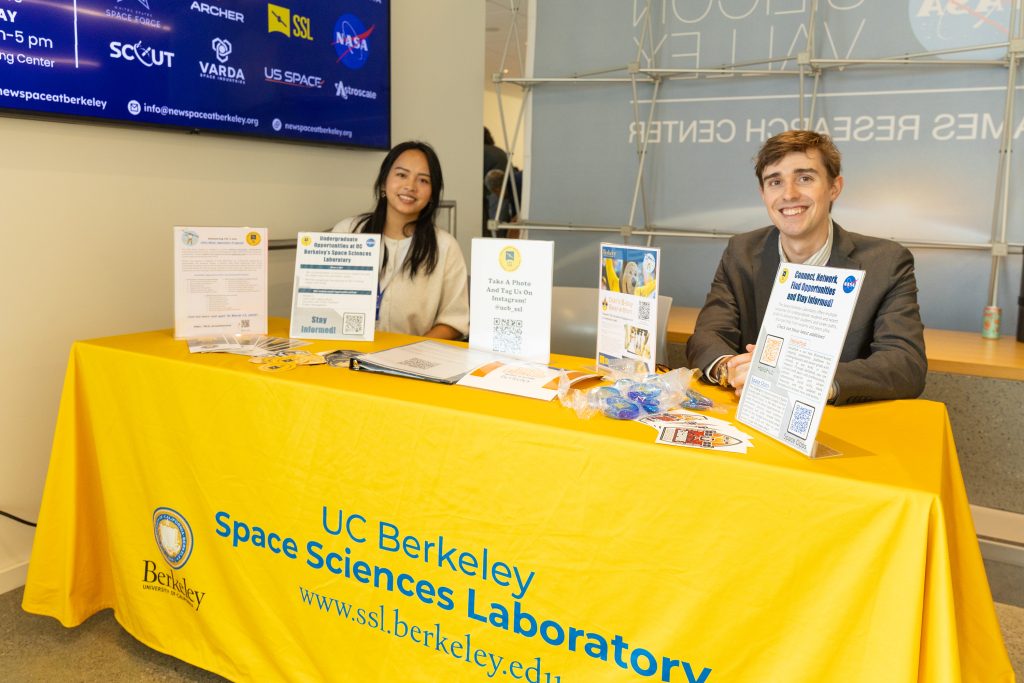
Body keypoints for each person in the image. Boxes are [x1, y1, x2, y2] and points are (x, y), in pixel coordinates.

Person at [686, 130, 926, 405]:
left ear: (834, 187)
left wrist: (811, 383)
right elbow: (708, 335)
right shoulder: (741, 252)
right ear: (763, 193)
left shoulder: (886, 263)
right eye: (775, 182)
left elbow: (905, 365)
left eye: (805, 178)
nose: (789, 194)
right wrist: (731, 368)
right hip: (754, 415)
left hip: (842, 424)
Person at [333, 140, 468, 339]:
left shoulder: (445, 246)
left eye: (423, 180)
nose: (410, 186)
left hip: (412, 361)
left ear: (432, 194)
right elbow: (321, 304)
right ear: (383, 183)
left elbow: (454, 321)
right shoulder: (348, 231)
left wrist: (410, 354)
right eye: (401, 175)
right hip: (345, 355)